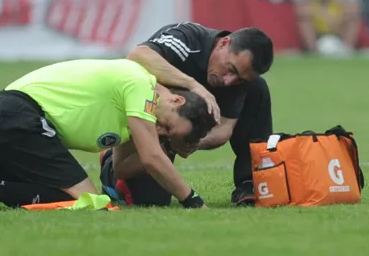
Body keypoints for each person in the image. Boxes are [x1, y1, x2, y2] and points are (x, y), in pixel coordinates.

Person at [0, 58, 217, 210]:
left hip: (8, 119)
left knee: (62, 195)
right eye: (166, 125)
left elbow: (122, 168)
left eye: (165, 134)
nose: (160, 131)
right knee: (88, 201)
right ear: (176, 100)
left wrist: (166, 145)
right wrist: (192, 199)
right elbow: (152, 158)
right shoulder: (141, 86)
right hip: (18, 118)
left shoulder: (137, 115)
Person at [102, 23, 274, 206]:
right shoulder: (187, 39)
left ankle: (249, 183)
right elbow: (136, 57)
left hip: (171, 136)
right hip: (147, 119)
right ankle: (110, 165)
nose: (229, 81)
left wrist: (187, 141)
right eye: (231, 69)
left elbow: (224, 127)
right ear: (224, 43)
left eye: (239, 78)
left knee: (258, 88)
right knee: (149, 201)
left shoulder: (239, 78)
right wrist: (192, 85)